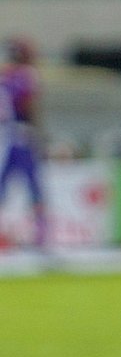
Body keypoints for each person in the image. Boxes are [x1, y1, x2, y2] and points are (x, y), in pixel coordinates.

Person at [0, 37, 47, 248]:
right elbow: (29, 106)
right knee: (33, 185)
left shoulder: (6, 76)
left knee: (6, 185)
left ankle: (38, 233)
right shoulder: (26, 75)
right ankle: (41, 234)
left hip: (7, 135)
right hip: (19, 134)